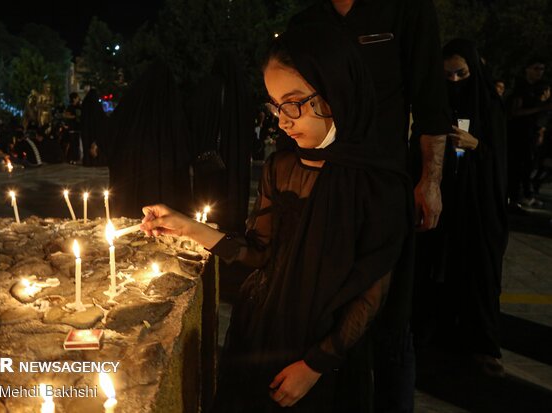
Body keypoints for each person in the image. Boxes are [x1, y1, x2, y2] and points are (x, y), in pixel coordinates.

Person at [140, 25, 410, 412]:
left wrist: (316, 364)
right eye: (275, 105)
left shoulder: (378, 183)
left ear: (336, 92)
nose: (282, 120)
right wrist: (185, 224)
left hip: (325, 356)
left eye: (294, 102)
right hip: (262, 335)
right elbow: (258, 252)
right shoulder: (282, 166)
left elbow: (371, 292)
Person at [289, 2, 452, 411]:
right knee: (325, 308)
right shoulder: (306, 20)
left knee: (389, 319)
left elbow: (431, 101)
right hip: (325, 180)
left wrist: (429, 181)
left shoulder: (405, 10)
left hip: (386, 182)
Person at [412, 39, 508, 377]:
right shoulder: (434, 102)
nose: (454, 82)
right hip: (442, 197)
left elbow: (502, 163)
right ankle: (431, 331)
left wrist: (476, 145)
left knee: (477, 269)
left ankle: (482, 344)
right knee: (431, 265)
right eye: (447, 75)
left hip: (477, 206)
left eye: (460, 74)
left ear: (473, 70)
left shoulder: (488, 106)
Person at [107, 60, 191, 218]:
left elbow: (112, 133)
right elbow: (182, 147)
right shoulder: (172, 107)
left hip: (131, 173)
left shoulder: (131, 103)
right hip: (165, 177)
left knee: (132, 216)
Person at [506, 57, 552, 209]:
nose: (539, 72)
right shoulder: (521, 88)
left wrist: (541, 129)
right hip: (518, 132)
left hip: (532, 132)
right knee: (518, 164)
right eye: (536, 68)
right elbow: (515, 111)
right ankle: (515, 195)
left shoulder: (541, 88)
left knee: (529, 164)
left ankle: (526, 194)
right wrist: (540, 108)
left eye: (542, 69)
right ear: (528, 69)